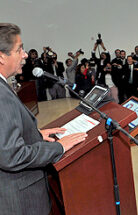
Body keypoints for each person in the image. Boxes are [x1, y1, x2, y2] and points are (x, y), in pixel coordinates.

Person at [0, 23, 87, 215]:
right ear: (1, 56)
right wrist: (59, 147)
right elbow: (11, 155)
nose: (24, 55)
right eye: (19, 49)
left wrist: (34, 134)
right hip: (20, 200)